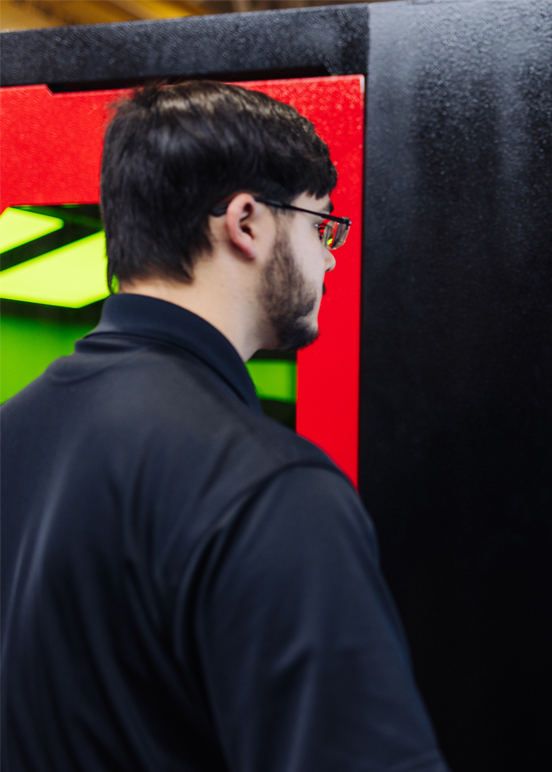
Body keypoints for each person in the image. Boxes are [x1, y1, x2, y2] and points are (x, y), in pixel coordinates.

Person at [1, 81, 448, 772]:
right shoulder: (272, 489)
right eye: (320, 227)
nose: (329, 257)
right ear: (247, 223)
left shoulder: (14, 430)